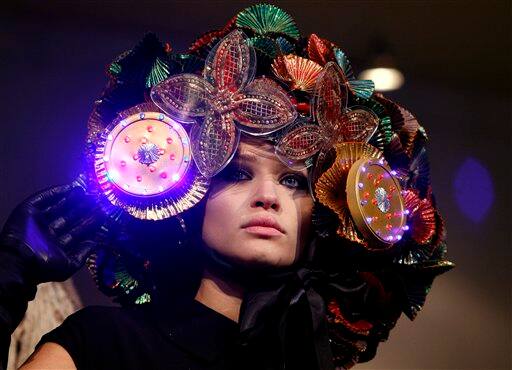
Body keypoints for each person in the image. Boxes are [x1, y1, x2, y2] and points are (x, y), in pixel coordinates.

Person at [0, 4, 453, 370]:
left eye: (294, 180)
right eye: (236, 173)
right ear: (187, 199)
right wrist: (7, 278)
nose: (268, 197)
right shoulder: (103, 345)